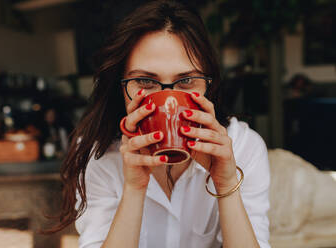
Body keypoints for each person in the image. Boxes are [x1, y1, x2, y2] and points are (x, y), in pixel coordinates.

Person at [53, 1, 271, 247]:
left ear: (210, 86)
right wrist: (134, 188)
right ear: (120, 87)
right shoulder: (99, 153)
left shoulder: (242, 147)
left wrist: (226, 183)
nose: (168, 102)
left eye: (187, 80)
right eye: (145, 81)